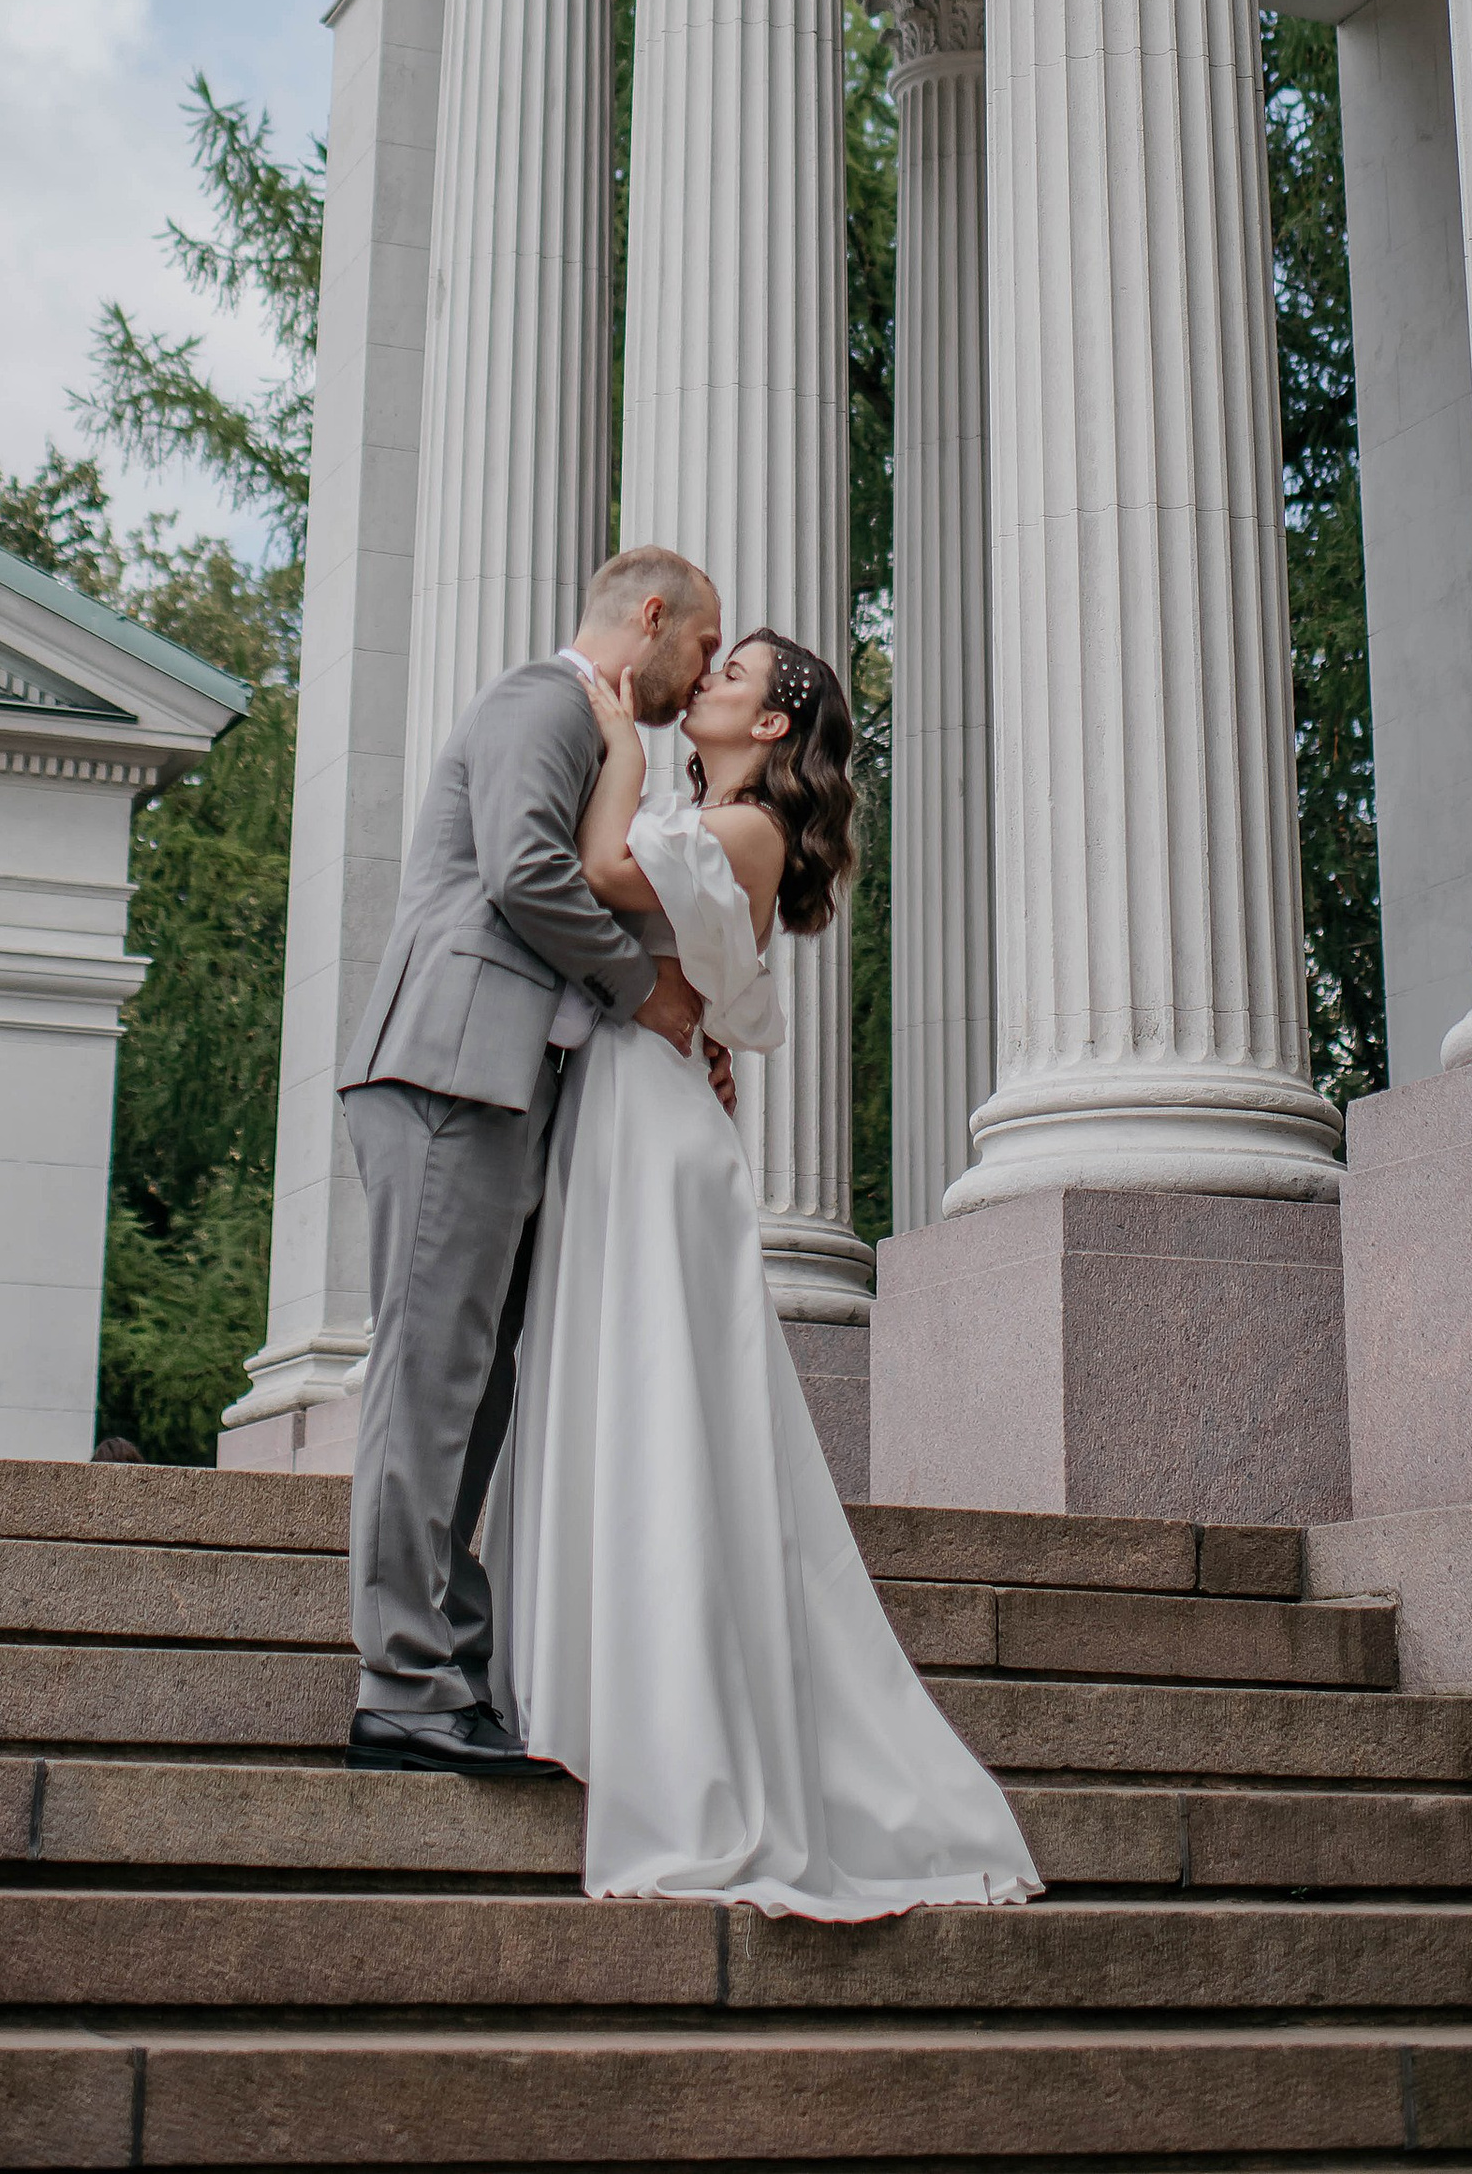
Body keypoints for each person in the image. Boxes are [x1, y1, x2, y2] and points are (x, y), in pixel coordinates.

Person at [488, 628, 1040, 1917]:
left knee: (669, 1411)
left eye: (731, 676)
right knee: (616, 1393)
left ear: (775, 726)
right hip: (627, 1107)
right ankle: (607, 1692)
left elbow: (599, 869)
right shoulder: (710, 815)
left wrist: (616, 737)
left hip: (657, 1133)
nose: (707, 686)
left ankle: (682, 1745)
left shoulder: (740, 832)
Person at [336, 545, 725, 1778]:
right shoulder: (542, 700)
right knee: (432, 1379)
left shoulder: (597, 731)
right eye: (703, 648)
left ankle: (446, 1662)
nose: (702, 672)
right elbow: (522, 873)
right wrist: (648, 991)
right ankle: (402, 1681)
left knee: (477, 1390)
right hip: (452, 1069)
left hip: (504, 1085)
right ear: (650, 617)